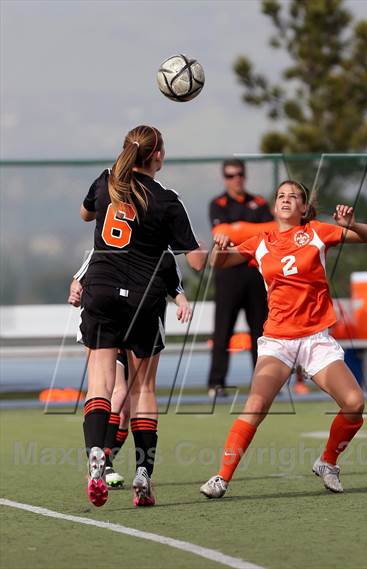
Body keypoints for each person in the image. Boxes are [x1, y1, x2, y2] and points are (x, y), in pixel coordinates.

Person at [200, 180, 367, 497]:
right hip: (278, 341)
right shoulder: (261, 241)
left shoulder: (318, 232)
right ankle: (221, 478)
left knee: (355, 403)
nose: (285, 200)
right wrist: (219, 246)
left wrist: (351, 224)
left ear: (303, 208)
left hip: (315, 340)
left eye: (293, 196)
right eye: (281, 196)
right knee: (256, 405)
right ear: (274, 206)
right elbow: (216, 262)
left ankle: (328, 461)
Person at [77, 124, 206, 508]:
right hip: (144, 298)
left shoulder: (106, 181)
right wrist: (224, 249)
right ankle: (143, 474)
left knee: (100, 384)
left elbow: (86, 214)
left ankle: (97, 455)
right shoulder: (167, 200)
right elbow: (195, 261)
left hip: (100, 288)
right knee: (143, 389)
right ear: (159, 156)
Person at [68, 252, 192, 489]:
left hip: (112, 311)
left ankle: (103, 460)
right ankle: (124, 468)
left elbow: (175, 280)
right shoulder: (155, 237)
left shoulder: (118, 237)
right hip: (134, 311)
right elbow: (80, 276)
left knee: (121, 405)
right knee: (123, 391)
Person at [208, 158, 273, 397]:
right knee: (222, 331)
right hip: (228, 276)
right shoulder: (217, 204)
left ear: (244, 176)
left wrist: (238, 229)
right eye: (230, 175)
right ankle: (216, 383)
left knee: (261, 332)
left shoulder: (259, 202)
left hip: (256, 274)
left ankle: (264, 382)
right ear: (224, 178)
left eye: (238, 174)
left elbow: (271, 231)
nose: (235, 179)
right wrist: (249, 231)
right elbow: (220, 233)